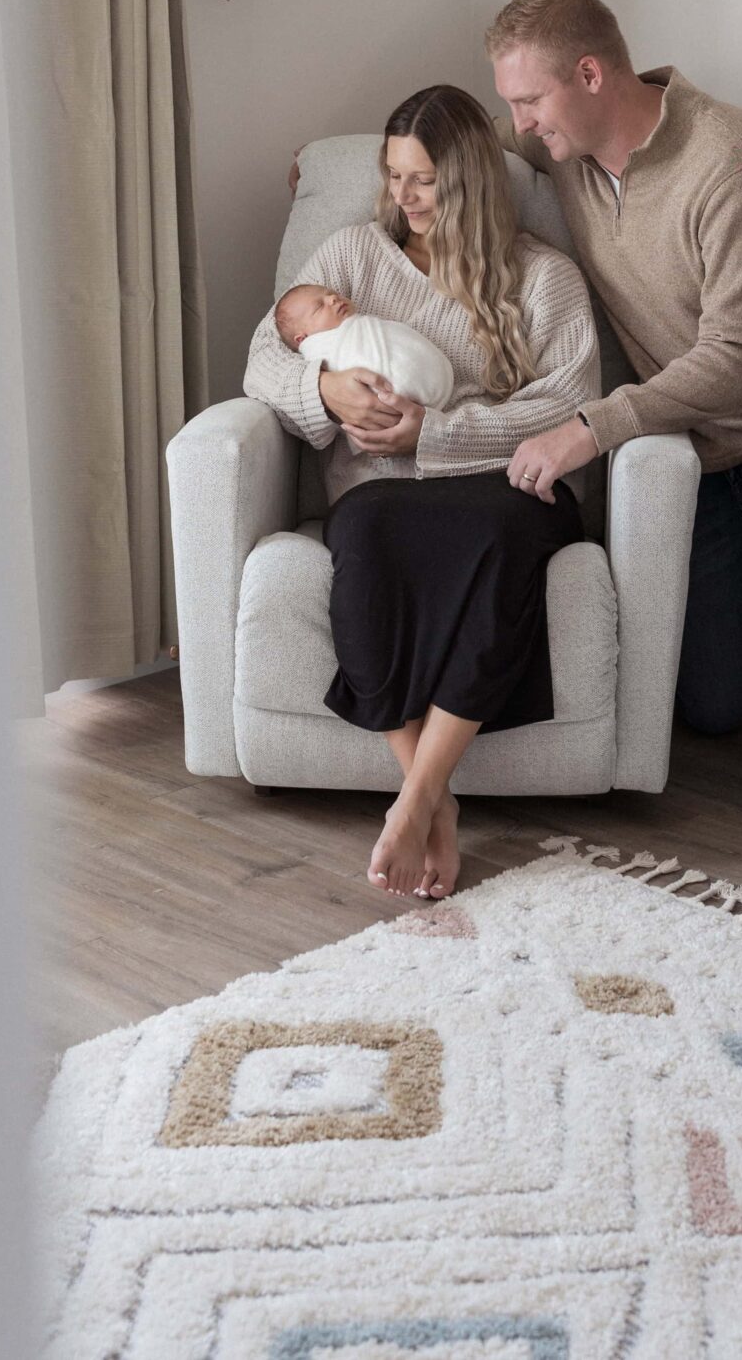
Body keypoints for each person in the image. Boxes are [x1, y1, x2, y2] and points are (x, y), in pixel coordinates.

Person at [485, 0, 742, 804]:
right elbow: (472, 142)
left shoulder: (736, 164)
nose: (521, 125)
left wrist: (595, 425)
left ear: (590, 74)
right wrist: (365, 164)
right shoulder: (566, 148)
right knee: (712, 709)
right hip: (701, 442)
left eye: (529, 99)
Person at [246, 83, 599, 899]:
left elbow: (568, 402)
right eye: (393, 175)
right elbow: (265, 356)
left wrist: (432, 435)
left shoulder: (544, 280)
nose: (402, 197)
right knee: (361, 530)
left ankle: (412, 801)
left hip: (508, 489)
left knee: (503, 537)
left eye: (424, 180)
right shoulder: (351, 256)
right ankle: (430, 800)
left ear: (470, 180)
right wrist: (326, 395)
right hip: (385, 497)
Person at [272, 282, 456, 409]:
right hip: (386, 402)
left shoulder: (363, 326)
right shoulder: (319, 350)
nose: (333, 299)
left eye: (333, 294)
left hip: (435, 387)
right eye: (320, 306)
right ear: (302, 339)